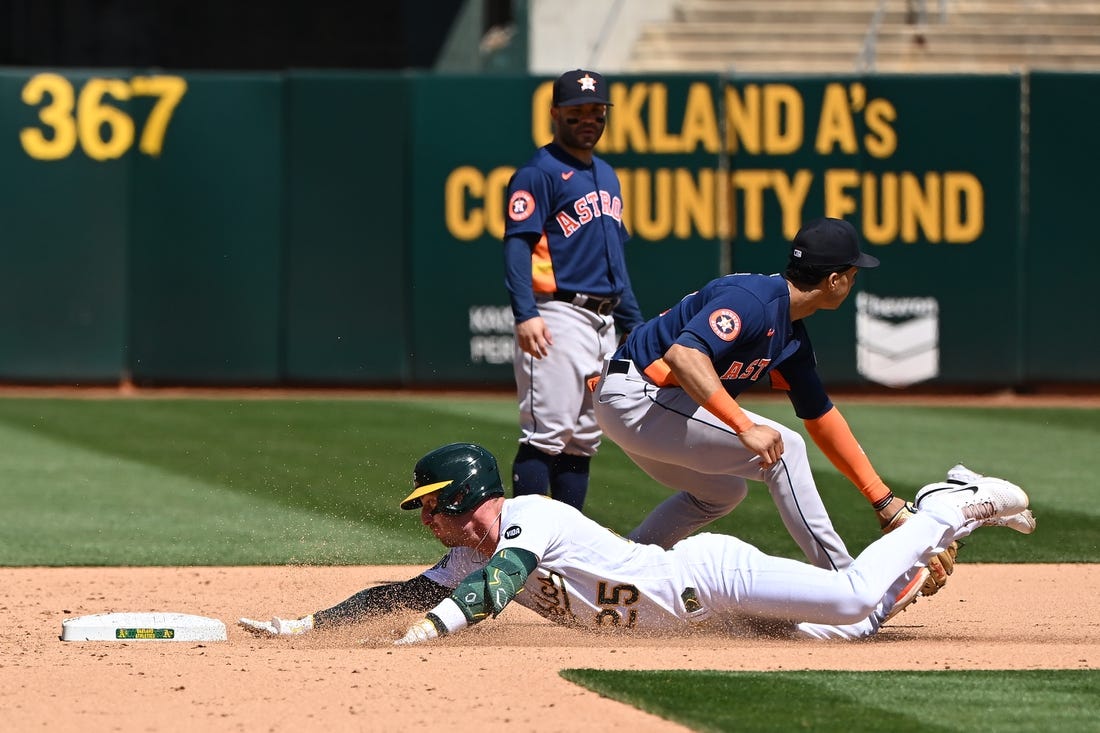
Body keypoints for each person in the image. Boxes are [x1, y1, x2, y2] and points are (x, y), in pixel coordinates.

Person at [239, 442, 1035, 644]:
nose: (425, 520)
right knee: (851, 629)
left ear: (460, 500)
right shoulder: (467, 557)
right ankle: (921, 563)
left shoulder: (528, 519)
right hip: (693, 621)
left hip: (708, 579)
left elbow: (491, 589)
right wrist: (312, 624)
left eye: (430, 507)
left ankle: (945, 505)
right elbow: (404, 592)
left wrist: (431, 633)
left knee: (852, 594)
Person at [589, 216, 957, 602]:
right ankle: (849, 583)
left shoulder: (790, 332)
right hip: (639, 396)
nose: (852, 280)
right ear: (835, 280)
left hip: (642, 404)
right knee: (786, 451)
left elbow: (821, 416)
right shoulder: (754, 301)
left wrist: (884, 502)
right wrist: (743, 425)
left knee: (720, 492)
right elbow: (683, 355)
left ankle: (615, 575)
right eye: (851, 273)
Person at [502, 68, 645, 510]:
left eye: (596, 111)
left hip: (603, 319)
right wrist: (525, 312)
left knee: (582, 439)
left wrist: (633, 324)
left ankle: (566, 552)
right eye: (577, 111)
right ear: (554, 114)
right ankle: (526, 552)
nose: (589, 119)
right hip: (556, 317)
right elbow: (517, 245)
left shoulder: (606, 174)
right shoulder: (537, 173)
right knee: (547, 434)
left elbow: (615, 260)